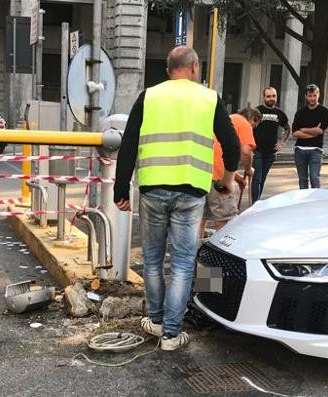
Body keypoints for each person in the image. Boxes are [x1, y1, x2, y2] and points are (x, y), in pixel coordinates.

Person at [113, 46, 241, 352]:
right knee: (183, 263)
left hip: (152, 189)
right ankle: (171, 334)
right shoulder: (209, 98)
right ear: (195, 67)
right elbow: (232, 146)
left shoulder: (150, 96)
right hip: (191, 191)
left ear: (168, 70)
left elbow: (128, 143)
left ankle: (155, 321)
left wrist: (121, 190)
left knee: (153, 260)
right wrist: (226, 183)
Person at [202, 107, 258, 235]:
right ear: (253, 118)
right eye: (254, 125)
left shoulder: (227, 120)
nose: (253, 129)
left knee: (202, 216)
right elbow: (246, 152)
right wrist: (248, 169)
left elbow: (218, 155)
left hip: (205, 173)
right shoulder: (244, 123)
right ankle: (223, 251)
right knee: (225, 218)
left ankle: (195, 249)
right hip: (220, 178)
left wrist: (238, 179)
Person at [251, 87, 291, 203]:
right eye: (268, 96)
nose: (271, 98)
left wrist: (282, 143)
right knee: (257, 178)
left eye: (273, 96)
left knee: (262, 178)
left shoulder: (280, 113)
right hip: (257, 150)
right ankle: (255, 203)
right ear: (264, 97)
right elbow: (249, 127)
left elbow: (287, 129)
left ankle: (257, 201)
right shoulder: (257, 111)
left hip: (271, 152)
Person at [291, 84, 328, 189]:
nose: (312, 98)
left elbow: (320, 130)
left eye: (314, 95)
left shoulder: (324, 111)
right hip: (300, 149)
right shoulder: (300, 113)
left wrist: (303, 129)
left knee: (314, 178)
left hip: (316, 150)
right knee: (303, 180)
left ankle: (315, 202)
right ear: (305, 96)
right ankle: (304, 203)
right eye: (310, 95)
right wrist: (313, 133)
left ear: (319, 95)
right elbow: (295, 133)